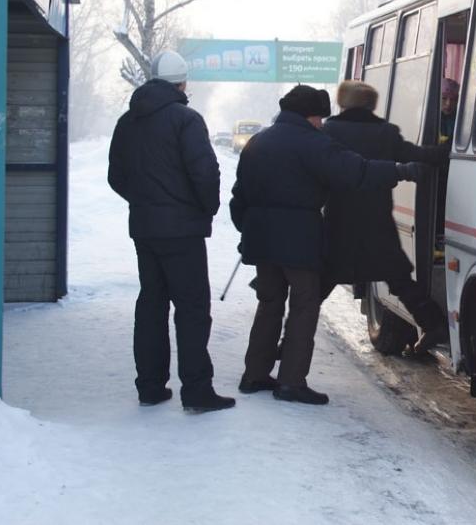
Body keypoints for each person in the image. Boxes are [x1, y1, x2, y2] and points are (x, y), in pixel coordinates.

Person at [230, 85, 423, 405]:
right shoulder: (312, 143)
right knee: (304, 307)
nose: (322, 123)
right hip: (297, 241)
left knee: (269, 305)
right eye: (319, 118)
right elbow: (355, 170)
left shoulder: (258, 141)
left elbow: (239, 198)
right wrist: (400, 170)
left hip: (262, 240)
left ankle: (254, 375)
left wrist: (250, 230)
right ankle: (291, 382)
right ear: (309, 115)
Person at [108, 50, 234, 414]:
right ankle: (196, 391)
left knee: (151, 304)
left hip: (144, 229)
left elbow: (116, 176)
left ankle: (150, 386)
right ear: (182, 83)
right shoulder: (186, 119)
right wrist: (202, 209)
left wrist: (144, 202)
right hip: (183, 232)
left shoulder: (127, 122)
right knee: (192, 308)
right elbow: (205, 174)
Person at [322, 81, 449, 354]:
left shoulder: (329, 131)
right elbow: (421, 155)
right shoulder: (386, 133)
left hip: (340, 220)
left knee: (321, 283)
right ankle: (434, 324)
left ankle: (287, 342)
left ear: (343, 102)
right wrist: (453, 147)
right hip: (377, 220)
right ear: (371, 104)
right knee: (399, 277)